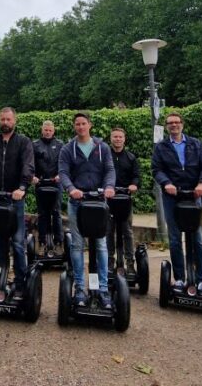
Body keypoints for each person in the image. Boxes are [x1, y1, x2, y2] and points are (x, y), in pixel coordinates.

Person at [58, 112, 116, 310]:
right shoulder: (68, 149)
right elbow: (63, 172)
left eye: (84, 123)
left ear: (90, 125)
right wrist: (71, 189)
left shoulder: (102, 147)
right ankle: (80, 289)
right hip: (77, 203)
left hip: (98, 203)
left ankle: (103, 289)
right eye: (77, 124)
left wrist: (109, 186)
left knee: (100, 245)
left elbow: (109, 170)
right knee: (76, 245)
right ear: (74, 127)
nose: (81, 127)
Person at [151, 112, 202, 294]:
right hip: (172, 196)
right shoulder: (161, 147)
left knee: (197, 239)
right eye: (170, 123)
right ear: (167, 126)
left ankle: (201, 280)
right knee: (175, 239)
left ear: (182, 125)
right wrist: (166, 183)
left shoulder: (195, 144)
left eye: (177, 122)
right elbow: (156, 169)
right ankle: (179, 278)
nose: (174, 125)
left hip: (194, 195)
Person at [0, 107, 34, 298]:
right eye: (2, 119)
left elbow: (28, 166)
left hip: (15, 200)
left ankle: (20, 284)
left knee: (18, 243)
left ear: (14, 121)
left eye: (8, 119)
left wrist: (22, 187)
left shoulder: (23, 142)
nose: (5, 122)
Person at [107, 127, 141, 275]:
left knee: (127, 231)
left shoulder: (131, 157)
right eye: (115, 137)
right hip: (108, 199)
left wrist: (134, 185)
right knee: (109, 230)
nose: (118, 139)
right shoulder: (105, 156)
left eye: (120, 137)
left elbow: (136, 176)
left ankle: (130, 263)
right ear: (111, 139)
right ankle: (109, 261)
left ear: (124, 139)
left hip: (125, 199)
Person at [32, 120, 64, 253]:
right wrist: (32, 176)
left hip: (56, 183)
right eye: (46, 130)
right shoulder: (35, 145)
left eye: (50, 130)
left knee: (56, 213)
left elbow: (64, 162)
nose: (48, 132)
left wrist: (60, 174)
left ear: (53, 131)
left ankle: (58, 242)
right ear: (42, 130)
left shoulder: (60, 144)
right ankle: (42, 241)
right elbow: (30, 162)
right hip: (40, 183)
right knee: (42, 214)